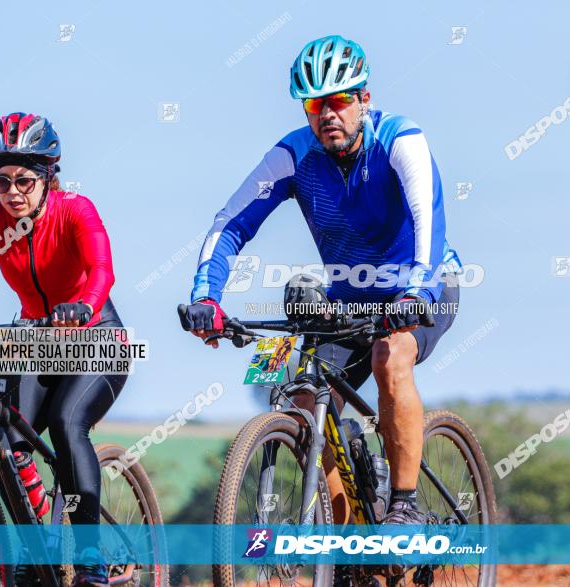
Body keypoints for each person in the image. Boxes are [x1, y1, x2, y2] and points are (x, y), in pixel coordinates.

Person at [178, 35, 462, 581]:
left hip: (424, 286)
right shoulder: (293, 156)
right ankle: (348, 543)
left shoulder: (401, 141)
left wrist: (417, 293)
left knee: (389, 358)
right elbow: (230, 224)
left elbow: (428, 220)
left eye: (338, 101)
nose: (328, 114)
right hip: (348, 298)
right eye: (315, 104)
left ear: (363, 99)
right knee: (304, 397)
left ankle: (402, 508)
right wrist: (206, 298)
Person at [0, 112, 124, 587]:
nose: (12, 191)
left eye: (24, 180)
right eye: (0, 180)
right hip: (35, 339)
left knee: (66, 424)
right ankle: (40, 546)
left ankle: (92, 557)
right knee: (11, 437)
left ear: (49, 176)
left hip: (96, 336)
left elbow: (102, 270)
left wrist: (83, 307)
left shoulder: (76, 209)